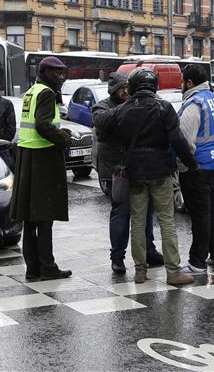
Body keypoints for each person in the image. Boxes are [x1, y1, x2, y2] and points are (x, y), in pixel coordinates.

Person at [96, 68, 198, 286]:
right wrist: (191, 164)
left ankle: (140, 271)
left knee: (138, 222)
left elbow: (102, 126)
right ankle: (173, 271)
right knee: (166, 221)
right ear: (154, 86)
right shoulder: (164, 107)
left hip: (134, 174)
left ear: (132, 86)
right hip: (160, 172)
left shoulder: (123, 110)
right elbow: (178, 140)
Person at [92, 72, 164, 274]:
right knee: (121, 213)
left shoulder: (139, 103)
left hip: (140, 168)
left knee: (146, 213)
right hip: (118, 172)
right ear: (113, 90)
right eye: (121, 88)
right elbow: (102, 128)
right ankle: (117, 257)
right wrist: (127, 110)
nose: (125, 91)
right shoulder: (103, 107)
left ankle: (149, 251)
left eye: (127, 87)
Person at [9, 57, 73, 281]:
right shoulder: (45, 93)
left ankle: (33, 268)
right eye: (56, 73)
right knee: (44, 219)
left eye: (61, 72)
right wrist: (64, 139)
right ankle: (47, 267)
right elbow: (43, 125)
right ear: (45, 72)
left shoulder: (32, 91)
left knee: (30, 219)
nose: (60, 77)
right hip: (43, 159)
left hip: (28, 157)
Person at [178, 63, 214, 273]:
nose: (181, 85)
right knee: (211, 212)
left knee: (199, 215)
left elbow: (185, 141)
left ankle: (197, 261)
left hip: (199, 167)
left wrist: (182, 167)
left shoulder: (194, 104)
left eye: (182, 81)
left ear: (189, 83)